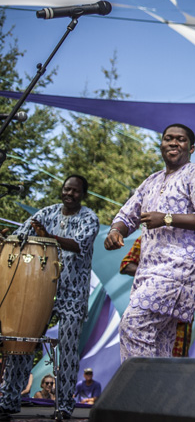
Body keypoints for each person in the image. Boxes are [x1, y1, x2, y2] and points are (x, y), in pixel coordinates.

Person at [104, 123, 195, 360]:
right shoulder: (151, 181)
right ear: (161, 145)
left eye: (180, 140)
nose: (173, 143)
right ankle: (158, 395)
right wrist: (116, 231)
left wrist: (167, 218)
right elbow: (127, 215)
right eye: (168, 138)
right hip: (148, 273)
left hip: (178, 271)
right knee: (160, 343)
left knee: (134, 326)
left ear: (191, 148)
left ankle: (138, 393)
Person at [0, 175, 99, 421]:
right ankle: (9, 399)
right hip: (39, 291)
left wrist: (49, 237)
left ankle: (64, 405)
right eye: (66, 189)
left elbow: (78, 245)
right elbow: (22, 234)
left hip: (72, 294)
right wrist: (8, 238)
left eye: (75, 191)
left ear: (83, 194)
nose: (69, 194)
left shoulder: (89, 218)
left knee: (66, 349)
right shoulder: (47, 212)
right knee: (23, 342)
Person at [119, 234, 195, 356]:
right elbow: (126, 265)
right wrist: (158, 274)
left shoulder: (194, 237)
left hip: (179, 312)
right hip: (153, 303)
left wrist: (194, 231)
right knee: (144, 345)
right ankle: (145, 373)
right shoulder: (150, 236)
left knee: (173, 359)